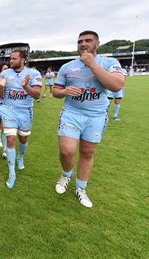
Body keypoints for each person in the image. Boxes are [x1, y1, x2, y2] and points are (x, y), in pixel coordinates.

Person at [52, 30, 125, 208]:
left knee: (87, 152)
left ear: (97, 43)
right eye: (80, 41)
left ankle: (81, 188)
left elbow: (116, 85)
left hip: (96, 116)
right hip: (71, 113)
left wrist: (92, 64)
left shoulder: (109, 62)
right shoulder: (67, 67)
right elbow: (55, 91)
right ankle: (65, 175)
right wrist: (64, 91)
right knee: (66, 151)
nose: (83, 44)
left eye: (88, 41)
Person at [0, 49, 42, 189]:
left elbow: (37, 95)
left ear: (23, 60)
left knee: (23, 139)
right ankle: (11, 173)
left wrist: (25, 86)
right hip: (8, 109)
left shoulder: (34, 73)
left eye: (14, 58)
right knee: (10, 139)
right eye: (10, 58)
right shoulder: (5, 73)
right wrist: (1, 87)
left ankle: (20, 157)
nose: (11, 61)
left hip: (25, 111)